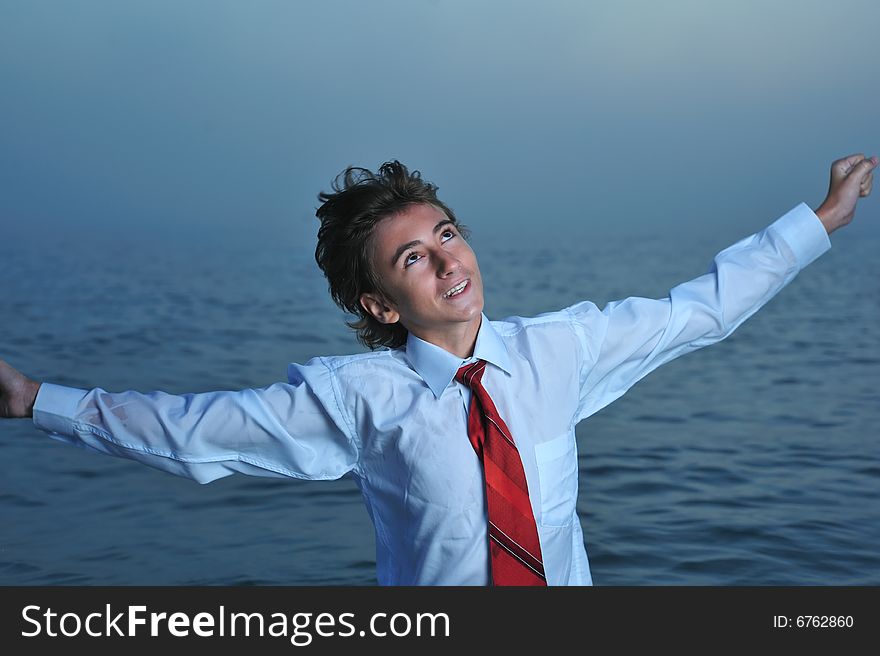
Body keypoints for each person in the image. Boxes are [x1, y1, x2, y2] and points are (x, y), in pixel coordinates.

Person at [1, 153, 876, 585]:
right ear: (381, 305)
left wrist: (824, 219)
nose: (448, 262)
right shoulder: (354, 398)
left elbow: (703, 309)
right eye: (413, 258)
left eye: (447, 234)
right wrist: (36, 400)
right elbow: (195, 433)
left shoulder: (558, 350)